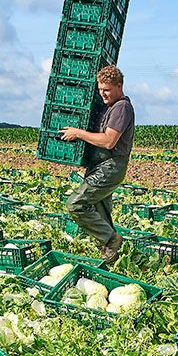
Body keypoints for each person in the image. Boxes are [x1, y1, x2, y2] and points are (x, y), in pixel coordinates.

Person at [60, 65, 135, 265]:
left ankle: (111, 239)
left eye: (107, 90)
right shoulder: (110, 106)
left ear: (119, 86)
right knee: (101, 213)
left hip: (110, 166)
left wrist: (78, 133)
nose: (102, 93)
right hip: (101, 165)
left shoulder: (122, 108)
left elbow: (109, 141)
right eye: (100, 89)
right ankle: (113, 260)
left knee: (75, 204)